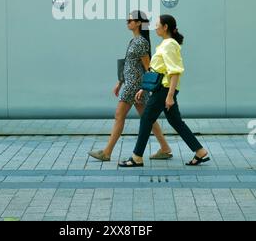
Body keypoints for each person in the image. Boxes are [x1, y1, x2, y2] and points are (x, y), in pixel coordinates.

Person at [118, 14, 210, 167]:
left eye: (158, 24)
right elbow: (157, 70)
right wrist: (144, 87)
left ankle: (136, 157)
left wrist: (170, 96)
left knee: (146, 119)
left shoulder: (169, 45)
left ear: (165, 27)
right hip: (162, 89)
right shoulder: (165, 44)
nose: (155, 27)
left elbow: (174, 72)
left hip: (165, 90)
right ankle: (200, 152)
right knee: (176, 121)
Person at [88, 10, 172, 162]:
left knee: (119, 116)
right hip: (131, 84)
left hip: (134, 86)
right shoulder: (135, 40)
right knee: (149, 118)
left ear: (139, 23)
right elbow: (129, 64)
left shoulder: (140, 42)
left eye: (130, 20)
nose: (128, 22)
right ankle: (165, 148)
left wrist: (145, 87)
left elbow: (148, 67)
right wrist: (119, 82)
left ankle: (106, 152)